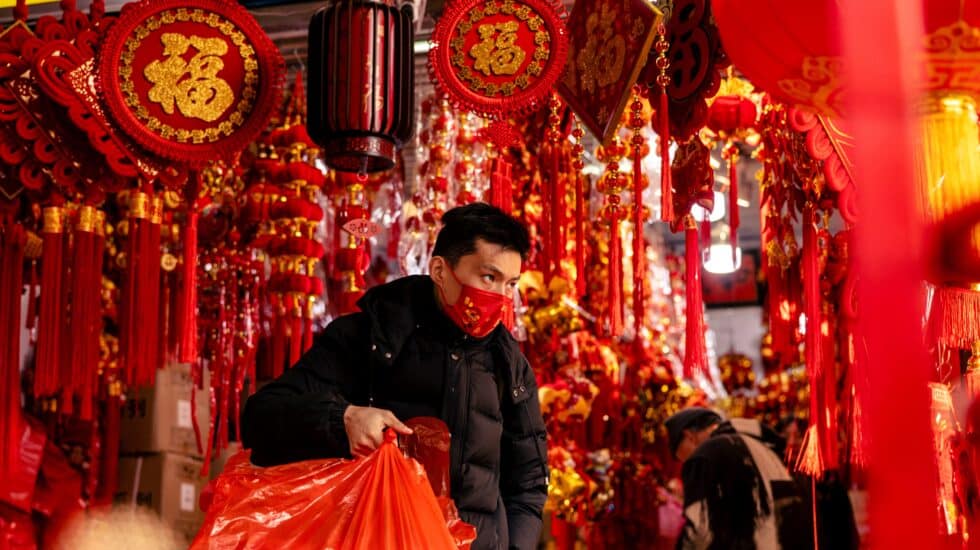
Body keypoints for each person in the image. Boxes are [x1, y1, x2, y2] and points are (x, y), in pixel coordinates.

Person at [241, 203, 548, 550]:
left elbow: (529, 483)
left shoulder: (511, 365)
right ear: (439, 270)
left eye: (510, 284)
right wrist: (343, 420)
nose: (500, 298)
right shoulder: (372, 335)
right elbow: (260, 417)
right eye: (488, 278)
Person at [665, 407, 811, 550]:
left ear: (689, 436)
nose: (685, 461)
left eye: (682, 456)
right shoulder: (760, 444)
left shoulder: (704, 455)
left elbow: (699, 529)